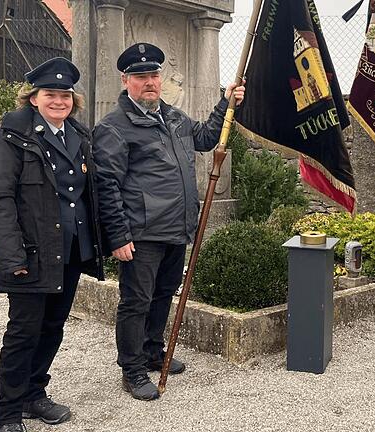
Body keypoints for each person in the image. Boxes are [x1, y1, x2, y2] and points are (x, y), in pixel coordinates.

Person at [92, 43, 244, 401]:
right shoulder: (114, 127)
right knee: (136, 301)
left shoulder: (173, 117)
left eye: (154, 75)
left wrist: (226, 102)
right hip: (141, 234)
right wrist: (118, 235)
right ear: (126, 80)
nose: (150, 82)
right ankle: (131, 369)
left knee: (162, 295)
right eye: (141, 76)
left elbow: (206, 138)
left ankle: (152, 351)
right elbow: (106, 185)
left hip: (176, 228)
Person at [0, 57, 105, 432]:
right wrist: (10, 253)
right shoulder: (12, 134)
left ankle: (34, 394)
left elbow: (87, 196)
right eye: (50, 94)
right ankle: (7, 411)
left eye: (65, 94)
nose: (59, 100)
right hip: (31, 252)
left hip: (70, 250)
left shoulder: (78, 135)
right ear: (33, 98)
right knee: (23, 332)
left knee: (53, 325)